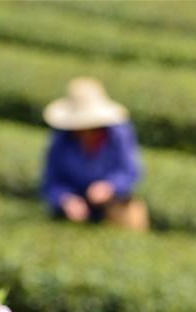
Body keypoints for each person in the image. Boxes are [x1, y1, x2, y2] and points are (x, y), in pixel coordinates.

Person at [40, 77, 148, 229]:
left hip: (112, 206)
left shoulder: (119, 135)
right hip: (73, 214)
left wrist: (109, 186)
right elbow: (51, 182)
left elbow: (130, 171)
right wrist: (66, 199)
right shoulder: (61, 140)